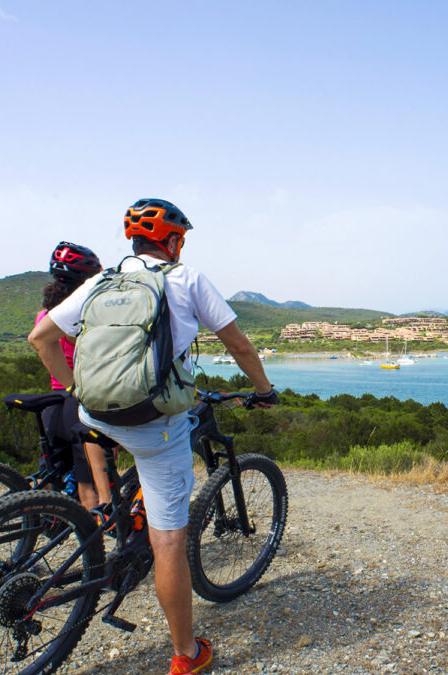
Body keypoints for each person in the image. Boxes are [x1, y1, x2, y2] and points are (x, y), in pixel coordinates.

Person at [28, 198, 277, 675]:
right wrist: (264, 390)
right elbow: (240, 346)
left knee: (118, 458)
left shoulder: (102, 281)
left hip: (93, 413)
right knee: (168, 542)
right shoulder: (186, 279)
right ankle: (186, 654)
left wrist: (77, 389)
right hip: (154, 421)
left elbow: (40, 339)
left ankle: (114, 527)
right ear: (174, 241)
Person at [35, 242, 114, 512]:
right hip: (78, 402)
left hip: (52, 404)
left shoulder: (44, 316)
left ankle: (35, 522)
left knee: (48, 476)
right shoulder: (80, 315)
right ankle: (94, 534)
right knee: (88, 484)